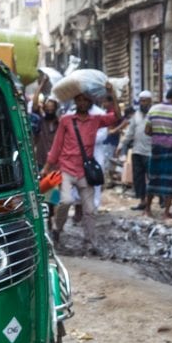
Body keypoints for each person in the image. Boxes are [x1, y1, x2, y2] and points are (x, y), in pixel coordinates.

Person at [40, 83, 120, 252]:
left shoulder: (96, 120)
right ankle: (57, 229)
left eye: (86, 100)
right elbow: (57, 145)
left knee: (90, 209)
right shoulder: (66, 121)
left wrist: (112, 94)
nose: (83, 103)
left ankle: (91, 242)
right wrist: (47, 167)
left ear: (90, 103)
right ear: (76, 102)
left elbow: (116, 117)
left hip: (85, 171)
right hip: (67, 168)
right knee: (66, 201)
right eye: (80, 100)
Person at [144, 88, 172, 218]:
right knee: (170, 180)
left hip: (156, 148)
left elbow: (147, 131)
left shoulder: (153, 109)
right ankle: (166, 212)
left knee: (153, 178)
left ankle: (147, 210)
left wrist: (158, 134)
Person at [118, 90, 154, 210]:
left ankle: (154, 202)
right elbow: (129, 133)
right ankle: (142, 201)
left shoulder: (154, 113)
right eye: (141, 101)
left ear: (150, 101)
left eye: (145, 101)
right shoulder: (136, 115)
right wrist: (121, 145)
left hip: (150, 151)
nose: (142, 103)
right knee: (138, 178)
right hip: (137, 151)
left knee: (152, 177)